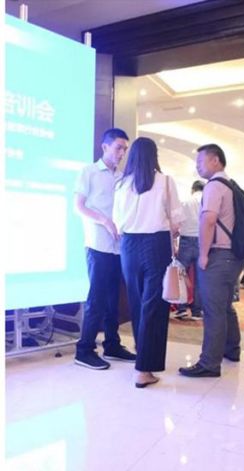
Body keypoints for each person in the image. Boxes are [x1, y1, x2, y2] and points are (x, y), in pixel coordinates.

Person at [113, 137, 184, 388]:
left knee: (136, 302)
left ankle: (141, 354)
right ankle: (144, 369)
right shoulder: (165, 181)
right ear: (155, 156)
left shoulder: (122, 183)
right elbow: (177, 220)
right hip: (155, 244)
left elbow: (117, 222)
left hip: (129, 246)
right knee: (154, 305)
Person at [179, 144, 244, 377]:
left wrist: (204, 254)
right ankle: (232, 349)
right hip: (233, 256)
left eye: (200, 161)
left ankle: (209, 363)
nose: (197, 166)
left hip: (218, 254)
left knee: (213, 310)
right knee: (225, 306)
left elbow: (208, 221)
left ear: (215, 160)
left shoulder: (214, 186)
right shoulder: (231, 185)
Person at [74, 128, 136, 370]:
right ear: (105, 147)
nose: (122, 153)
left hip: (119, 247)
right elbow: (79, 206)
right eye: (118, 147)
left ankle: (112, 345)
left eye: (125, 149)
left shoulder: (122, 177)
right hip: (97, 244)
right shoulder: (88, 172)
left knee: (114, 300)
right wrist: (105, 221)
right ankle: (84, 350)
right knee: (97, 298)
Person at [174, 180, 204, 320]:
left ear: (193, 189)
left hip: (185, 240)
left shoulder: (186, 201)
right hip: (202, 241)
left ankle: (182, 309)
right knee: (199, 278)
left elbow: (178, 221)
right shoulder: (207, 201)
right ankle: (197, 311)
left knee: (181, 275)